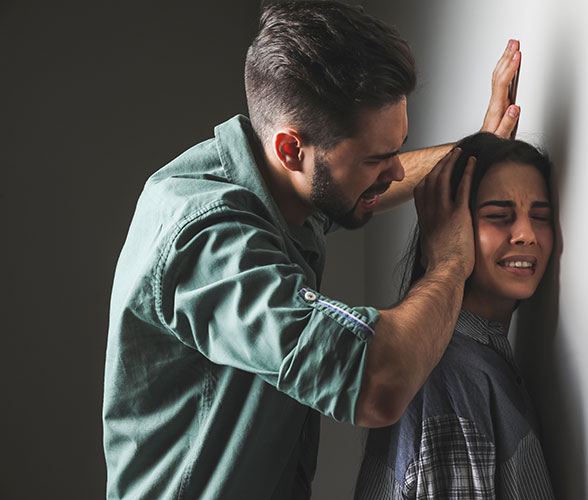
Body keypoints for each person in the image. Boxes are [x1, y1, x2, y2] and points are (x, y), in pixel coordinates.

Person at [103, 1, 522, 499]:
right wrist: (451, 260)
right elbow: (379, 383)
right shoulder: (210, 242)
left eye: (397, 148)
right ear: (291, 150)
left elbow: (355, 189)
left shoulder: (279, 182)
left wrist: (473, 154)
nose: (393, 172)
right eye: (377, 157)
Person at [355, 132, 556, 499]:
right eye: (499, 216)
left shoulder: (478, 359)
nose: (526, 234)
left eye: (540, 216)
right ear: (447, 227)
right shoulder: (454, 374)